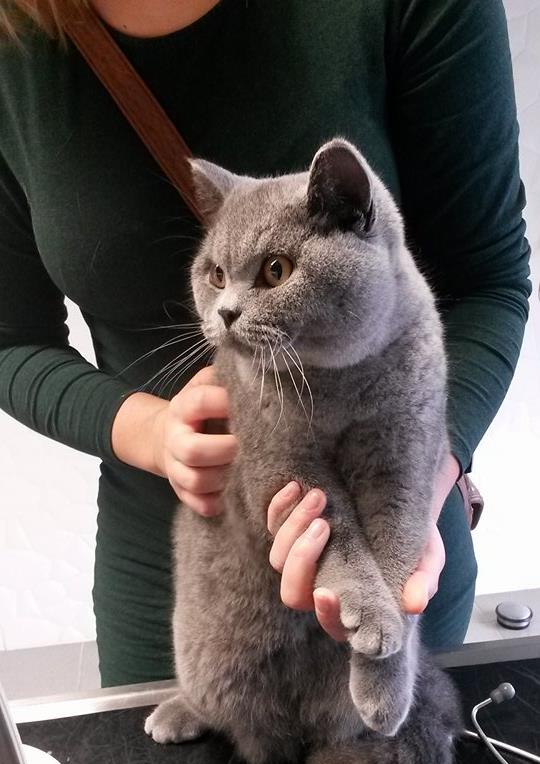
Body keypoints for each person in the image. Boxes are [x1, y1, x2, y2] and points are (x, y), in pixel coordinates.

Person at [0, 0, 530, 686]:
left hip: (395, 543)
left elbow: (489, 281)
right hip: (194, 578)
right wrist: (150, 431)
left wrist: (421, 476)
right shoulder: (16, 46)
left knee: (391, 730)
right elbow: (11, 340)